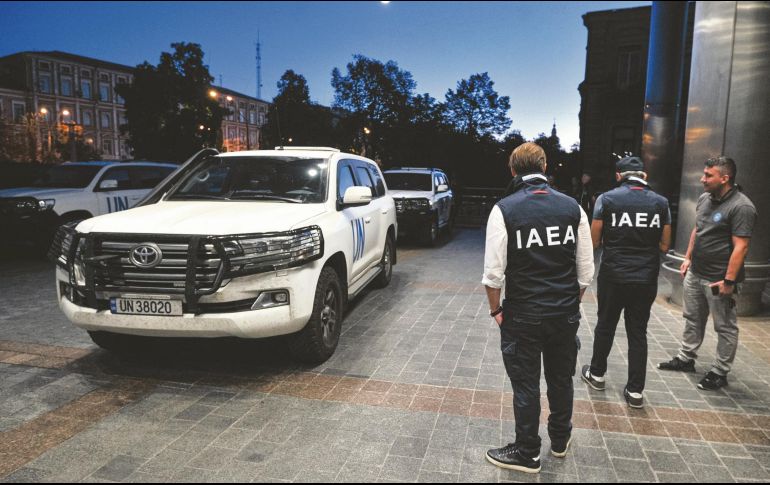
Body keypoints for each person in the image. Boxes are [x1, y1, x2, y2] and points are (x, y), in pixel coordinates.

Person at [482, 142, 594, 473]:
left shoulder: (504, 209)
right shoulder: (574, 208)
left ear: (512, 169)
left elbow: (492, 274)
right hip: (563, 312)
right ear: (544, 167)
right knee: (561, 379)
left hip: (523, 314)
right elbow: (585, 272)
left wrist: (496, 311)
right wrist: (568, 304)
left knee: (526, 384)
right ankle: (560, 439)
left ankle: (528, 451)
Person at [580, 156, 671, 408]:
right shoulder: (661, 203)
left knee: (606, 325)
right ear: (643, 175)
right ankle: (635, 392)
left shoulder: (606, 199)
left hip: (614, 275)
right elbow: (664, 244)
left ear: (619, 176)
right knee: (638, 332)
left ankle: (596, 374)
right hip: (645, 276)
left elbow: (594, 241)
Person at [658, 156, 756, 390]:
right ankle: (686, 358)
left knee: (724, 326)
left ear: (725, 178)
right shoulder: (705, 198)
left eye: (708, 175)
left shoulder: (742, 206)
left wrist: (729, 280)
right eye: (704, 174)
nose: (702, 179)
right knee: (692, 318)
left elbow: (741, 246)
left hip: (719, 278)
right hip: (696, 272)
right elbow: (698, 229)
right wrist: (688, 258)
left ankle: (720, 371)